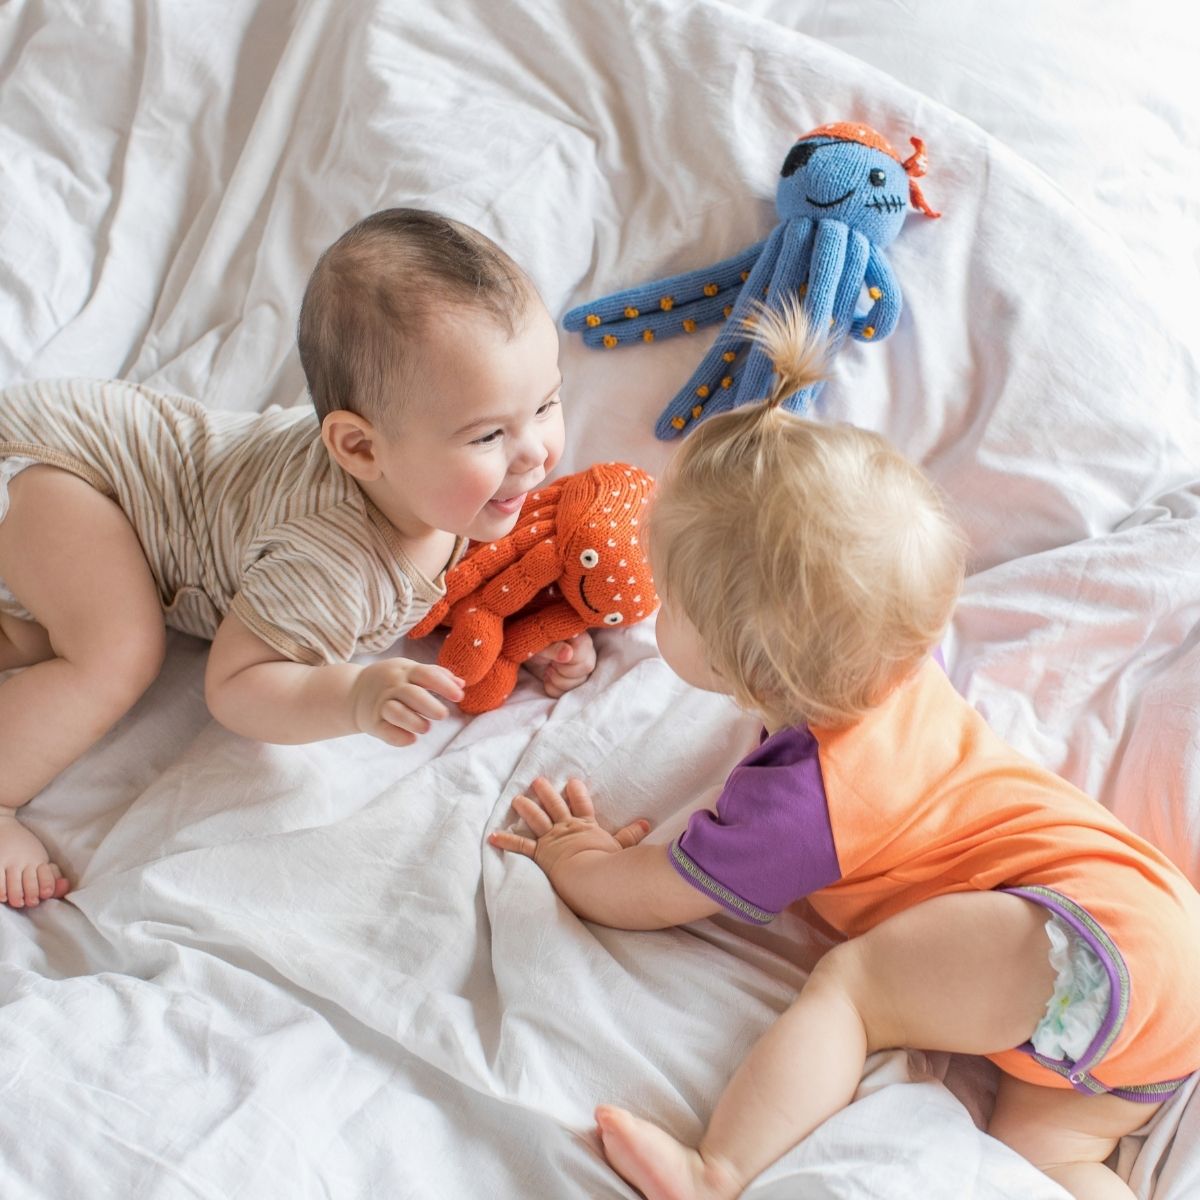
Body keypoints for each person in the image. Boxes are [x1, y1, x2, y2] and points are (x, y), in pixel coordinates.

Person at [489, 300, 1200, 1200]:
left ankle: (718, 1169)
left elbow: (653, 894)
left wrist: (579, 860)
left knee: (856, 988)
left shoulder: (802, 804)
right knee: (1048, 1156)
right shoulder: (897, 665)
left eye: (670, 598)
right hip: (1163, 970)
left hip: (1085, 944)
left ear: (739, 665)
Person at [0, 207, 595, 909]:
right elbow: (238, 683)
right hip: (58, 475)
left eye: (546, 404)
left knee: (56, 638)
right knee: (117, 654)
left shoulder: (448, 490)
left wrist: (526, 630)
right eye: (489, 434)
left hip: (79, 476)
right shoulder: (330, 556)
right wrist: (353, 697)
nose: (535, 453)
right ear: (360, 447)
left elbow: (465, 586)